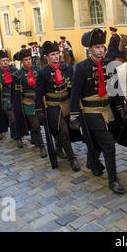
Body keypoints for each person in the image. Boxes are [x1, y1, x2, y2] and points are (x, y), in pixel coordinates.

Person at [70, 29, 127, 194]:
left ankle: (92, 161)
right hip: (91, 112)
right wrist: (74, 115)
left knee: (110, 136)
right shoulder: (81, 68)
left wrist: (122, 106)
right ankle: (113, 180)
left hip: (108, 109)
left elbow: (115, 86)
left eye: (102, 47)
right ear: (89, 49)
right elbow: (75, 92)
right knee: (108, 144)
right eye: (97, 47)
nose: (101, 50)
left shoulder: (108, 65)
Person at [34, 41, 81, 172]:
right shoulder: (43, 73)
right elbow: (38, 92)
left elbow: (74, 87)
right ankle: (72, 159)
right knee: (63, 129)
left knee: (67, 130)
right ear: (47, 57)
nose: (56, 56)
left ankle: (59, 147)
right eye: (53, 54)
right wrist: (38, 110)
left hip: (67, 103)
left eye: (57, 54)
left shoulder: (67, 68)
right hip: (53, 105)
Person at [12, 49, 47, 158]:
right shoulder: (18, 74)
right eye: (26, 60)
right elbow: (16, 93)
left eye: (29, 59)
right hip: (27, 102)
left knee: (44, 123)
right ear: (22, 62)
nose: (28, 61)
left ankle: (35, 139)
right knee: (35, 125)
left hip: (40, 101)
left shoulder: (37, 69)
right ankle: (42, 146)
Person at [0, 50, 18, 143]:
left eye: (6, 60)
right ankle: (16, 135)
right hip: (4, 99)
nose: (5, 62)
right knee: (12, 118)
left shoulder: (15, 71)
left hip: (16, 98)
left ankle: (15, 134)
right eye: (3, 61)